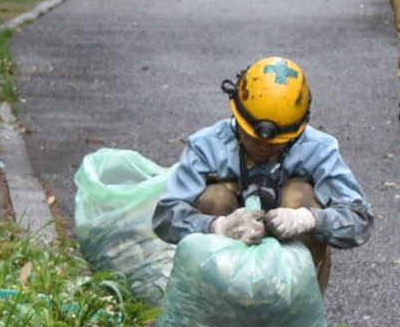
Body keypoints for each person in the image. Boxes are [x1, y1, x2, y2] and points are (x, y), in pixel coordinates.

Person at [154, 56, 375, 290]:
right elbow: (165, 217)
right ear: (237, 118)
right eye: (252, 138)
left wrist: (309, 219)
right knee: (214, 199)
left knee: (299, 196)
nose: (262, 148)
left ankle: (295, 311)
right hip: (220, 277)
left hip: (291, 284)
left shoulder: (318, 150)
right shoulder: (207, 146)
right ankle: (216, 310)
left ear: (297, 131)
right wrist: (217, 225)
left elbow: (360, 219)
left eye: (275, 144)